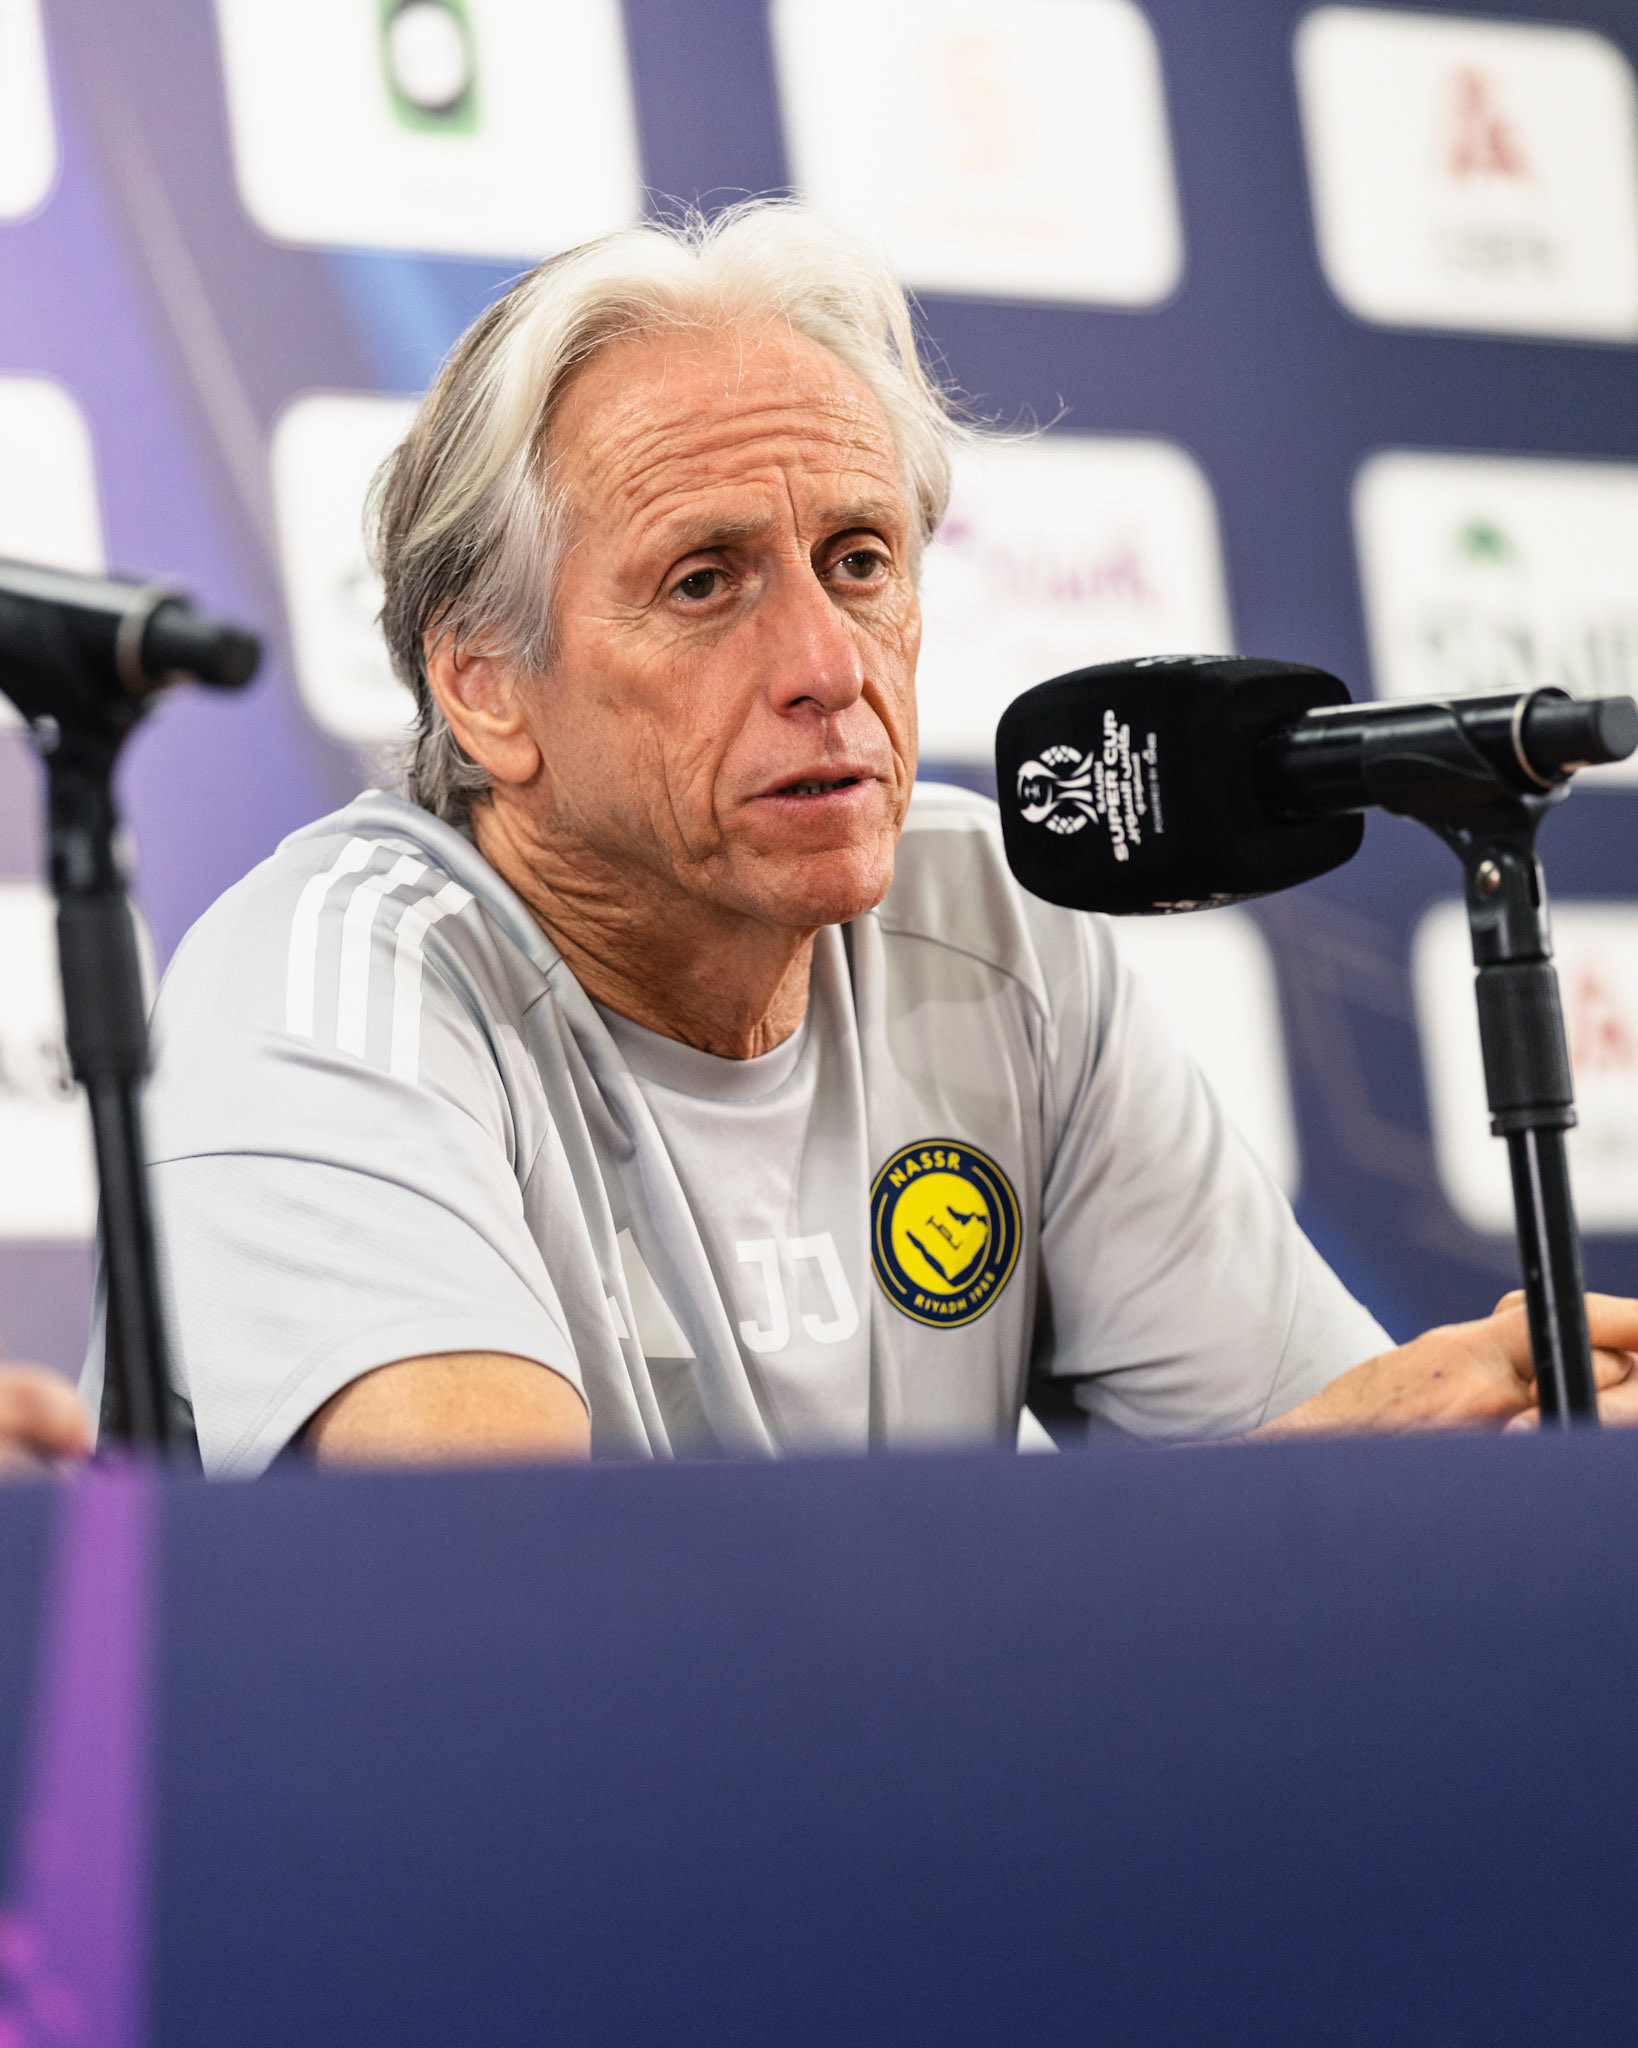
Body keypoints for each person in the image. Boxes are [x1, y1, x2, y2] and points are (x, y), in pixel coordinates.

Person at [83, 201, 1638, 1474]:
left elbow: (1295, 1506)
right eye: (704, 581)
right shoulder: (326, 989)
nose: (826, 665)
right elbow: (517, 1623)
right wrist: (1285, 1488)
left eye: (858, 561)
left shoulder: (992, 917)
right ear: (485, 688)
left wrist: (1457, 1466)